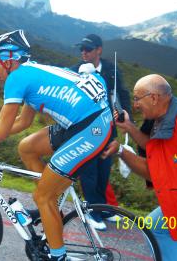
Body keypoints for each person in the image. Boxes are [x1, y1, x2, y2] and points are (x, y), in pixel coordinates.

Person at [0, 30, 113, 261]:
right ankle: (50, 209)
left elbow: (0, 131)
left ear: (7, 60)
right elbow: (22, 122)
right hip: (85, 120)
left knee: (42, 195)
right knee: (27, 147)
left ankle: (57, 254)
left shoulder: (17, 78)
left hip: (90, 128)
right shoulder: (31, 71)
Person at [115, 74, 177, 261]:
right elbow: (155, 149)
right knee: (154, 227)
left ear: (153, 98)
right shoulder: (170, 116)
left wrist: (121, 151)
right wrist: (129, 126)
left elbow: (155, 173)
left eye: (137, 98)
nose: (135, 105)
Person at [69, 34, 132, 229]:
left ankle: (103, 209)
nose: (84, 53)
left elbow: (121, 92)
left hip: (108, 127)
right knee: (89, 171)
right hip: (85, 128)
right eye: (82, 49)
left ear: (99, 50)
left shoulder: (111, 70)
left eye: (88, 49)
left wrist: (126, 112)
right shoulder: (75, 71)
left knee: (104, 170)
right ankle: (91, 212)